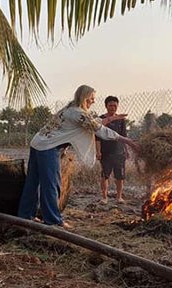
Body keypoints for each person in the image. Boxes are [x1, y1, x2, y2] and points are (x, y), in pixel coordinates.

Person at [17, 85, 139, 228]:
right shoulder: (79, 114)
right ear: (85, 97)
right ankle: (53, 220)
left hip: (37, 143)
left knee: (32, 181)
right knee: (51, 184)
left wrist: (111, 119)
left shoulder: (69, 109)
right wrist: (128, 141)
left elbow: (94, 123)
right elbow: (99, 130)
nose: (93, 101)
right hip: (48, 148)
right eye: (92, 98)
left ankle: (26, 215)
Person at [96, 96, 128, 204]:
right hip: (106, 152)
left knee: (120, 176)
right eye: (110, 105)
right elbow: (97, 137)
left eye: (115, 105)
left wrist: (126, 150)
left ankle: (119, 197)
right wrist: (98, 151)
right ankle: (104, 197)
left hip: (119, 152)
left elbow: (124, 136)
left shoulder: (121, 120)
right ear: (106, 106)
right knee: (105, 175)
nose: (113, 107)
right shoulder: (101, 120)